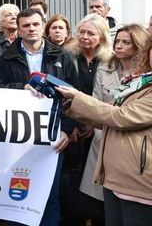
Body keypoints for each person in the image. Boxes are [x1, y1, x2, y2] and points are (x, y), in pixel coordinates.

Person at [0, 8, 78, 226]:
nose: (31, 29)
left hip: (53, 135)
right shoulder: (7, 58)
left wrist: (67, 129)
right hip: (19, 136)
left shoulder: (62, 55)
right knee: (17, 192)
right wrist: (22, 87)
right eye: (26, 25)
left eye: (36, 24)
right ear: (18, 30)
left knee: (49, 193)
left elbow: (76, 96)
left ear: (43, 26)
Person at [57, 36, 152, 226]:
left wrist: (77, 97)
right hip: (116, 178)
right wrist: (68, 102)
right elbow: (107, 116)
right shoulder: (140, 82)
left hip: (139, 183)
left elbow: (120, 116)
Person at [61, 13, 113, 225]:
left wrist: (93, 125)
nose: (84, 36)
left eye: (90, 33)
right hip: (72, 124)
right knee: (72, 178)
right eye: (81, 32)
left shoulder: (110, 61)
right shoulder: (67, 56)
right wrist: (73, 124)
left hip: (99, 129)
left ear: (101, 37)